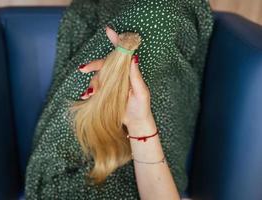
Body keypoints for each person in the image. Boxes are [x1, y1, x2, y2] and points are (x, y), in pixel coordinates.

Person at [25, 0, 214, 199]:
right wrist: (140, 122)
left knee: (152, 22)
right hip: (152, 171)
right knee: (163, 18)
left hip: (66, 177)